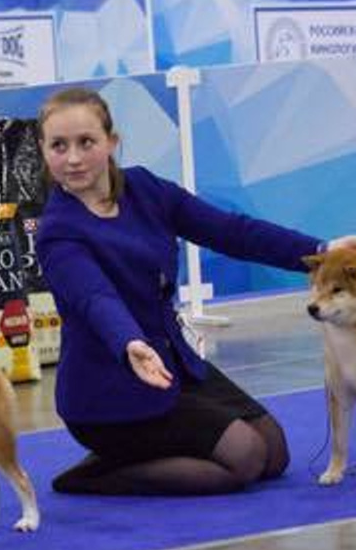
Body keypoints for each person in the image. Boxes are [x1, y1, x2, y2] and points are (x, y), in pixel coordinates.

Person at [35, 86, 356, 496]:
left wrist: (319, 250)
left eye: (86, 142)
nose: (74, 158)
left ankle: (134, 454)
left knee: (273, 455)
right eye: (58, 146)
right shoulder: (58, 232)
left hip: (172, 364)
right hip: (108, 391)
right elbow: (94, 298)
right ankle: (93, 476)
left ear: (112, 142)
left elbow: (231, 232)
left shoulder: (146, 190)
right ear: (44, 151)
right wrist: (129, 341)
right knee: (244, 459)